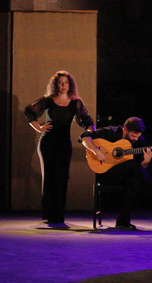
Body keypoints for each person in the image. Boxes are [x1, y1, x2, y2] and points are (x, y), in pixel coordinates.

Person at [24, 70, 96, 224]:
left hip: (64, 142)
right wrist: (39, 128)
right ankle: (49, 213)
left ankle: (58, 214)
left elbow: (86, 121)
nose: (63, 85)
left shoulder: (75, 102)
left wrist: (94, 136)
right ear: (56, 84)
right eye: (60, 82)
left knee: (62, 178)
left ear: (70, 85)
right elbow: (29, 111)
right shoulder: (48, 100)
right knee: (49, 177)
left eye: (66, 82)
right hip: (47, 142)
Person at [79, 117, 152, 230]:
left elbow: (139, 169)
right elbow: (84, 136)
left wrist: (146, 161)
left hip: (124, 175)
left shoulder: (140, 141)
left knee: (135, 180)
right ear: (125, 130)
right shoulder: (112, 132)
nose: (136, 139)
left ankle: (122, 221)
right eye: (133, 136)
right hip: (106, 173)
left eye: (138, 136)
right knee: (130, 163)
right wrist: (97, 151)